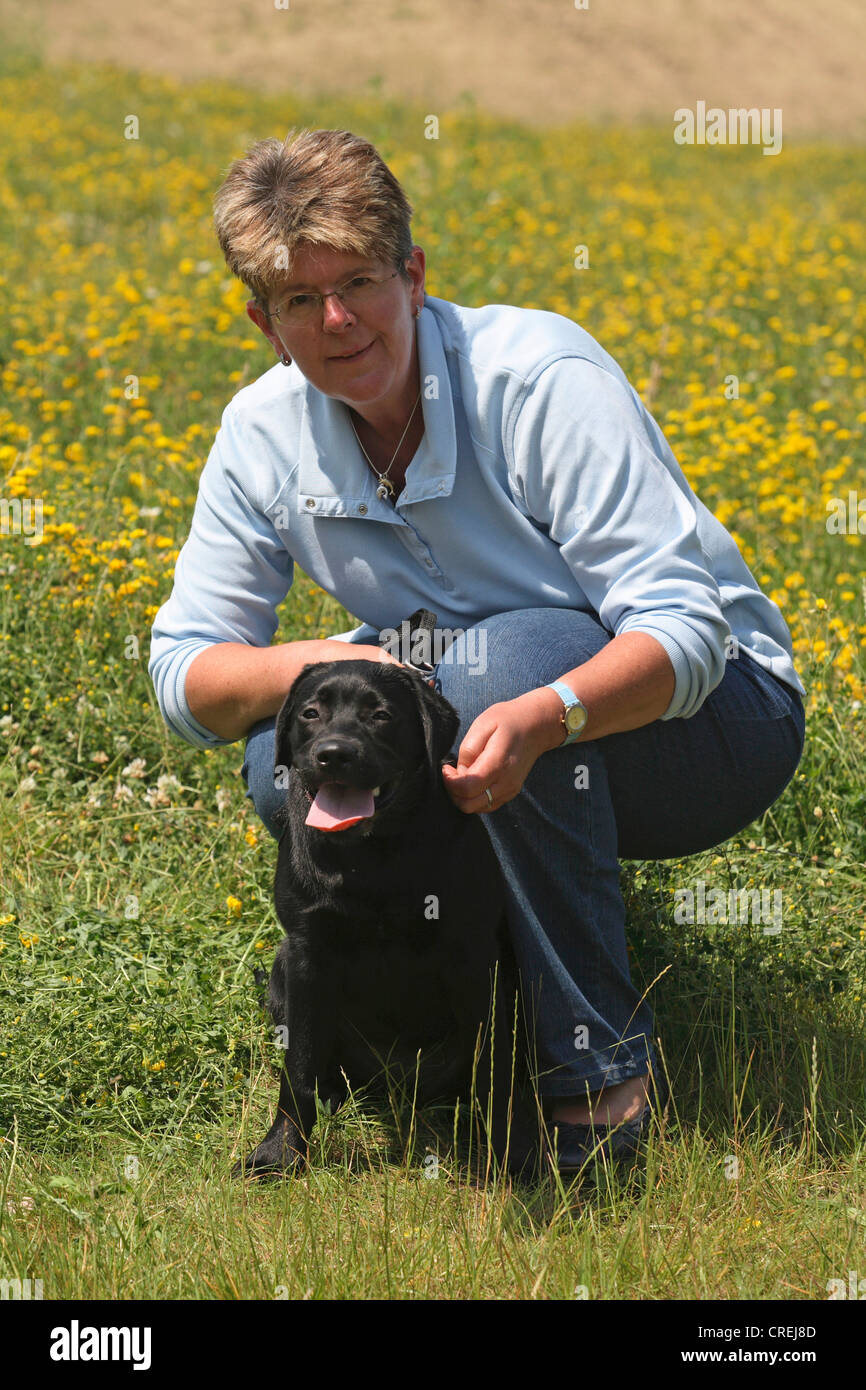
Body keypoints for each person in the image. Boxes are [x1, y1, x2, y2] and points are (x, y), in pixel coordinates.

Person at [148, 128, 805, 1175]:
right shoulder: (259, 433)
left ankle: (595, 1080)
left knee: (507, 673)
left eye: (359, 281)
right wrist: (314, 663)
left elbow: (684, 636)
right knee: (290, 756)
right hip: (486, 692)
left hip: (715, 722)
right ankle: (416, 1043)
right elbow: (185, 673)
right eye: (296, 299)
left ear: (414, 274)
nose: (335, 320)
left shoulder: (536, 378)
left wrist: (548, 717)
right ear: (260, 321)